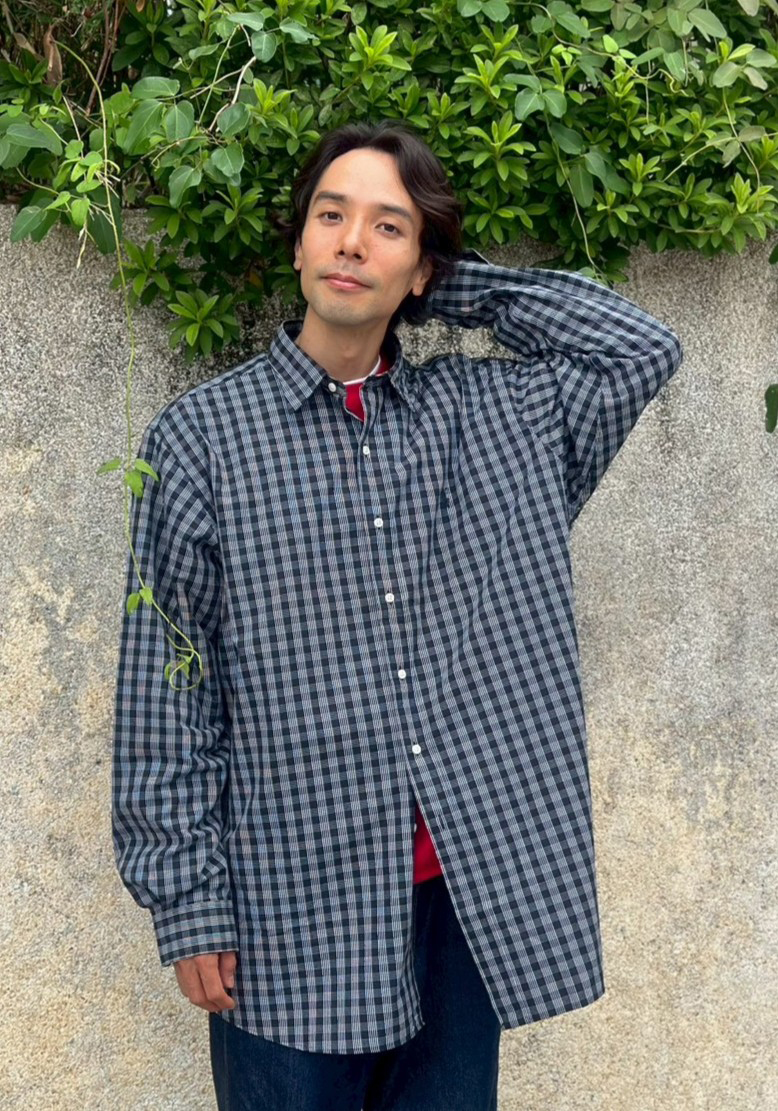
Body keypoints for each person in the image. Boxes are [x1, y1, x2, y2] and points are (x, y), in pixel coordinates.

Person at [111, 118, 684, 1110]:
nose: (350, 243)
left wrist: (445, 284)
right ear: (297, 241)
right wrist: (189, 901)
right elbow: (168, 686)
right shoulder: (202, 441)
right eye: (330, 217)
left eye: (387, 227)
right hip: (289, 903)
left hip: (464, 894)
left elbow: (638, 348)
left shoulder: (499, 422)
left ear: (422, 266)